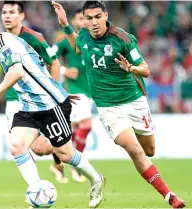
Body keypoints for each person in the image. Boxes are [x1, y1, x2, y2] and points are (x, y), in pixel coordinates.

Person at [52, 1, 185, 208]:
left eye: (97, 17)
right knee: (135, 150)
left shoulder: (122, 38)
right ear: (84, 20)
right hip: (108, 107)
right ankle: (170, 196)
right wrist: (65, 25)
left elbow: (145, 69)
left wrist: (130, 67)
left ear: (105, 15)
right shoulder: (85, 35)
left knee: (149, 150)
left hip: (134, 101)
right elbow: (78, 47)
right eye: (89, 18)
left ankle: (153, 174)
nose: (94, 22)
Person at [0, 11, 105, 208]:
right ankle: (37, 192)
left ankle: (96, 179)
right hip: (29, 107)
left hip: (50, 105)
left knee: (65, 154)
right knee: (16, 146)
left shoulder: (7, 45)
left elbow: (16, 71)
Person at [0, 1, 67, 183]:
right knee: (21, 148)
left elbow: (54, 63)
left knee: (40, 148)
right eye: (4, 12)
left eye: (12, 12)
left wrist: (54, 93)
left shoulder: (34, 38)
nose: (7, 16)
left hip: (39, 100)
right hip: (14, 102)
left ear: (21, 16)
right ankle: (37, 189)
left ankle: (61, 155)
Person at [51, 8, 92, 183]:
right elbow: (47, 57)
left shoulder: (93, 40)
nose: (83, 22)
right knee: (86, 125)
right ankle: (76, 165)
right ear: (74, 21)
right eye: (80, 18)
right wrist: (64, 70)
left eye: (86, 19)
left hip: (90, 91)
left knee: (71, 131)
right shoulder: (66, 42)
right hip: (75, 92)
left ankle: (59, 164)